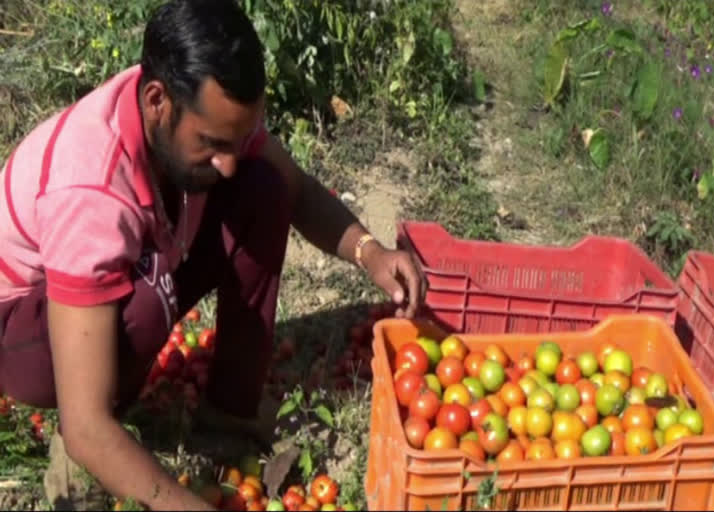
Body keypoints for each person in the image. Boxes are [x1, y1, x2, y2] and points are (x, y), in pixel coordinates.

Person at [0, 0, 427, 509]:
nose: (227, 162)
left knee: (263, 189)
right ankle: (93, 433)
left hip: (125, 271)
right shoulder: (89, 190)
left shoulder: (193, 110)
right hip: (23, 329)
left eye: (238, 139)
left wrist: (370, 252)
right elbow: (86, 426)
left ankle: (228, 408)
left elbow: (295, 188)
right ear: (157, 100)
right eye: (212, 144)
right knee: (146, 300)